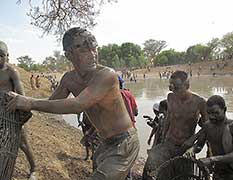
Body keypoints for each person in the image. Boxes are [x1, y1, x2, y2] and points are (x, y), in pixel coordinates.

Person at [6, 28, 140, 180]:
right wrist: (21, 103)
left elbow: (77, 105)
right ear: (68, 55)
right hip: (105, 142)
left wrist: (29, 102)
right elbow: (51, 104)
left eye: (94, 48)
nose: (92, 54)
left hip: (124, 142)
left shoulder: (106, 75)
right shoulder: (69, 79)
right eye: (84, 50)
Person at [142, 70, 207, 179]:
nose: (173, 90)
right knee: (155, 171)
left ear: (187, 85)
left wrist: (194, 143)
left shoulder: (199, 102)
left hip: (185, 148)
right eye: (171, 86)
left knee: (183, 176)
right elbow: (168, 118)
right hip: (169, 144)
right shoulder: (170, 97)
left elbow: (207, 128)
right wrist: (162, 139)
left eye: (176, 87)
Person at [0, 41, 36, 180]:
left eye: (1, 55)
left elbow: (22, 96)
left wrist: (17, 107)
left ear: (7, 56)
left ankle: (34, 169)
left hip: (12, 115)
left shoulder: (11, 72)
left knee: (22, 144)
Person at [186, 95, 233, 180]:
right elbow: (199, 146)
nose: (211, 116)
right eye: (209, 113)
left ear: (224, 110)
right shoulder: (207, 126)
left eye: (216, 113)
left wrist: (213, 159)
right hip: (218, 172)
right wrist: (192, 150)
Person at [118, 75, 138, 180]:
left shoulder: (110, 96)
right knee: (127, 159)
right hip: (131, 130)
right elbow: (136, 112)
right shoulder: (128, 94)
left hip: (117, 132)